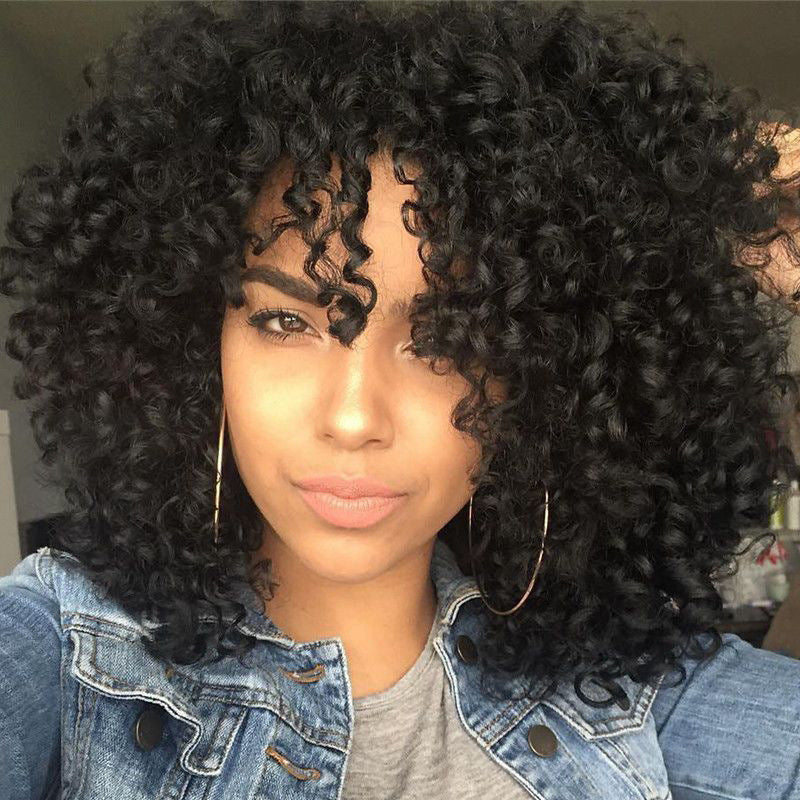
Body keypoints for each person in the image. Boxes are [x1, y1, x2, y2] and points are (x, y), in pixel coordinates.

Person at [0, 1, 799, 798]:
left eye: (446, 340)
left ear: (543, 376)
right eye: (286, 321)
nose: (353, 419)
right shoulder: (68, 654)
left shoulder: (630, 690)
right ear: (193, 347)